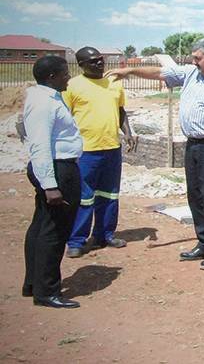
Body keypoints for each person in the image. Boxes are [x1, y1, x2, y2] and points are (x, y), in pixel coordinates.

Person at [106, 38, 204, 270]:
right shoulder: (192, 73)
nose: (193, 61)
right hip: (193, 144)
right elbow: (160, 72)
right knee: (195, 196)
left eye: (197, 58)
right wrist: (130, 70)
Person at [22, 55, 84, 308]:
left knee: (41, 225)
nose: (69, 77)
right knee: (55, 231)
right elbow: (40, 146)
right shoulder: (43, 103)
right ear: (52, 78)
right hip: (58, 170)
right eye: (65, 73)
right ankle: (47, 290)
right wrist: (50, 185)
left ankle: (34, 283)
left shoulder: (46, 97)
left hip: (57, 168)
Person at [64, 47, 137, 258]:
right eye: (93, 61)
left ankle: (104, 235)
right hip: (85, 151)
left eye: (101, 60)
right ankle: (76, 241)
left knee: (109, 194)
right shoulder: (72, 86)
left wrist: (128, 133)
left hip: (111, 148)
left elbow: (120, 110)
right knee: (84, 197)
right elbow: (64, 118)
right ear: (81, 65)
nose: (99, 64)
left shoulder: (113, 82)